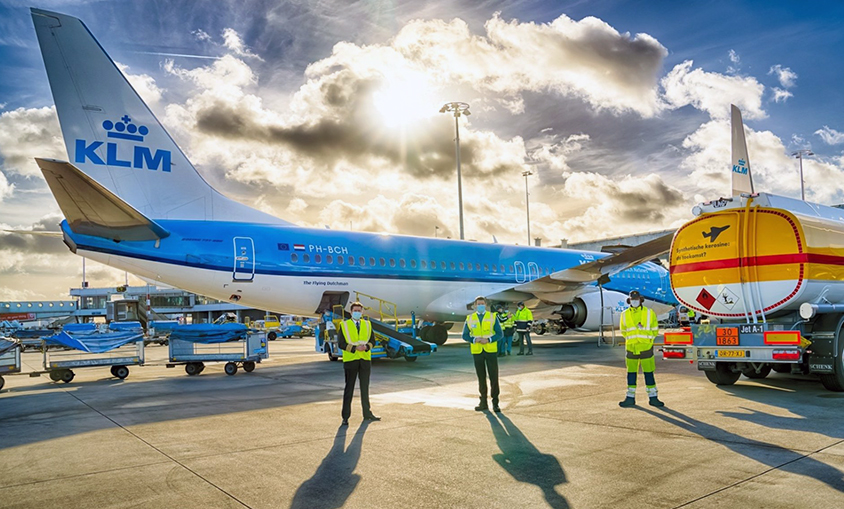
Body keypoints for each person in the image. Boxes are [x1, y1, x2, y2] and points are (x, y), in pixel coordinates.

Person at [619, 290, 664, 408]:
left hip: (645, 347)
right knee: (631, 373)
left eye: (636, 299)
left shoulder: (649, 313)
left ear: (640, 300)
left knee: (649, 373)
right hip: (632, 347)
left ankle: (653, 398)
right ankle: (630, 398)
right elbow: (623, 330)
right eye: (633, 300)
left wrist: (648, 340)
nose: (634, 301)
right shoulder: (624, 314)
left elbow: (655, 329)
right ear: (629, 301)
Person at [338, 302, 381, 425]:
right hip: (351, 360)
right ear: (351, 312)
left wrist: (366, 347)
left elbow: (373, 341)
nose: (357, 312)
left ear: (362, 312)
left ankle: (367, 414)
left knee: (365, 388)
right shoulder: (344, 325)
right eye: (355, 310)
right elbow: (341, 343)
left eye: (359, 310)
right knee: (349, 389)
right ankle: (345, 417)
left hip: (365, 360)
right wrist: (354, 349)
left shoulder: (367, 324)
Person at [463, 296, 503, 412]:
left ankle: (495, 403)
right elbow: (465, 335)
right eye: (478, 304)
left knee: (493, 377)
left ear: (485, 305)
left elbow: (499, 334)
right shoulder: (470, 318)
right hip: (477, 351)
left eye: (482, 304)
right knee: (481, 378)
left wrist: (489, 340)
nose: (480, 306)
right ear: (475, 306)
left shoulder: (492, 317)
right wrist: (474, 339)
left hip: (490, 350)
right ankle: (483, 402)